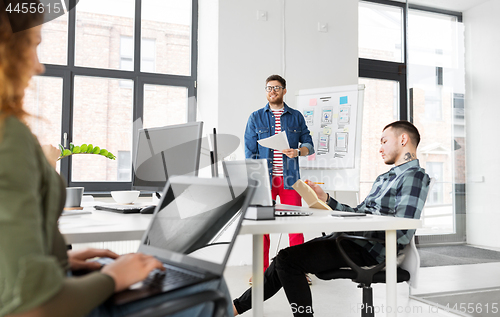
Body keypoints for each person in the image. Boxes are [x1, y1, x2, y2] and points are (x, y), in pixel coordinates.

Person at [0, 2, 232, 316]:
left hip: (48, 280)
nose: (39, 66)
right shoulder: (9, 136)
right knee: (209, 286)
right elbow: (33, 306)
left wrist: (59, 262)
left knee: (189, 275)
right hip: (55, 304)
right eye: (33, 45)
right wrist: (112, 277)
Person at [233, 120, 431, 316]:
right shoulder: (385, 178)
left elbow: (403, 230)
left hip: (369, 248)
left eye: (384, 141)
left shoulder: (414, 176)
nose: (380, 148)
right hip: (350, 238)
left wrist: (357, 224)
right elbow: (360, 212)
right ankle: (234, 308)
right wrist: (326, 199)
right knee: (282, 259)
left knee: (287, 261)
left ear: (403, 139)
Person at [244, 74, 314, 278]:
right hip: (265, 181)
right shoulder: (255, 117)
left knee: (295, 225)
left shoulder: (296, 116)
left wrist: (298, 152)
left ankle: (299, 272)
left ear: (284, 90)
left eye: (276, 87)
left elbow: (309, 143)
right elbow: (250, 152)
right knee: (263, 227)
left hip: (290, 180)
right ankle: (261, 271)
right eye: (268, 88)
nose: (272, 91)